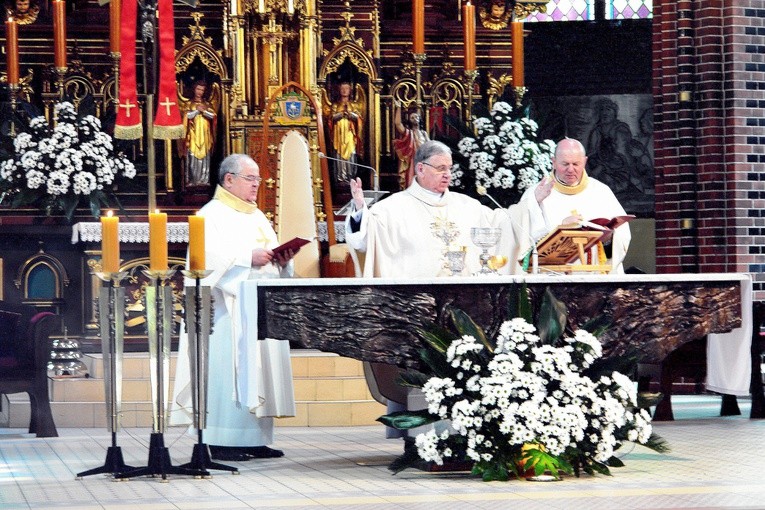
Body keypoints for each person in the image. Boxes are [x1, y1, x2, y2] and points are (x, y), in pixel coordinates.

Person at [170, 154, 296, 462]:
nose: (256, 185)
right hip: (226, 311)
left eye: (258, 179)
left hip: (256, 307)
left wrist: (283, 260)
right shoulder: (210, 215)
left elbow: (268, 256)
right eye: (250, 179)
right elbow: (205, 260)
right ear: (229, 180)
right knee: (229, 371)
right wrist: (245, 257)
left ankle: (253, 439)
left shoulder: (256, 216)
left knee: (256, 372)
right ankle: (221, 440)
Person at [345, 139, 525, 278]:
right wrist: (360, 208)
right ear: (421, 169)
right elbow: (361, 241)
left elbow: (504, 223)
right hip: (415, 305)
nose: (447, 174)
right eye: (440, 168)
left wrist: (533, 203)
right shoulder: (391, 209)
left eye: (449, 168)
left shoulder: (468, 206)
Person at [519, 137, 631, 273]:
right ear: (553, 162)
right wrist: (561, 230)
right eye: (565, 164)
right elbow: (524, 243)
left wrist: (608, 240)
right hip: (554, 279)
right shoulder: (535, 194)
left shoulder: (601, 191)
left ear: (584, 162)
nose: (570, 169)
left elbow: (623, 236)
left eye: (576, 164)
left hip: (596, 277)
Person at [179, 80, 217, 187]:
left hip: (205, 136)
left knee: (205, 159)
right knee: (192, 158)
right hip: (193, 136)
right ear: (194, 89)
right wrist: (196, 111)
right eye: (198, 89)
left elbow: (213, 116)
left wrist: (203, 111)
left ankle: (204, 181)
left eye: (202, 90)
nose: (200, 92)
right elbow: (186, 117)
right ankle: (192, 180)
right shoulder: (189, 104)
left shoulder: (207, 104)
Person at [328, 82, 364, 183]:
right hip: (338, 135)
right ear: (339, 90)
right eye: (342, 88)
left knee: (351, 153)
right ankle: (340, 177)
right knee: (339, 155)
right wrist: (340, 114)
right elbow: (331, 119)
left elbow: (359, 118)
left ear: (350, 90)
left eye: (346, 88)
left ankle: (350, 177)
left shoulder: (353, 105)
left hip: (349, 134)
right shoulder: (335, 105)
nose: (344, 91)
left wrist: (350, 114)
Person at [393, 101, 429, 189]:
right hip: (412, 159)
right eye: (412, 117)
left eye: (416, 117)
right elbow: (398, 124)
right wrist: (398, 108)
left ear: (420, 119)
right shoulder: (409, 133)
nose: (415, 118)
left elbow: (429, 146)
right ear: (409, 121)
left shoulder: (424, 133)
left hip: (424, 160)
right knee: (412, 180)